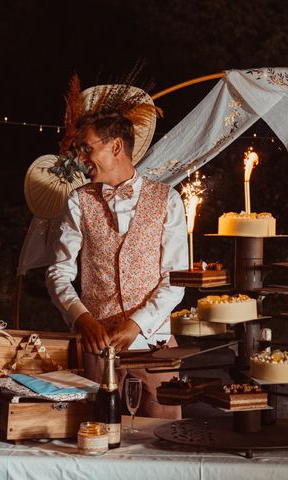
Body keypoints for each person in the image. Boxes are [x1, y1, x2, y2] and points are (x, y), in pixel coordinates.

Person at [46, 109, 188, 418]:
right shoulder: (77, 201)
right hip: (96, 349)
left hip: (156, 347)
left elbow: (176, 279)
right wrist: (83, 319)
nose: (81, 157)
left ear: (115, 146)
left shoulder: (168, 199)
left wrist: (137, 323)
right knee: (96, 439)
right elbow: (57, 273)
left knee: (163, 448)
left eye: (87, 147)